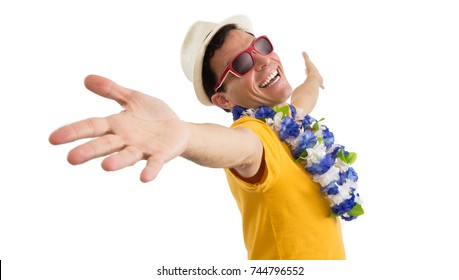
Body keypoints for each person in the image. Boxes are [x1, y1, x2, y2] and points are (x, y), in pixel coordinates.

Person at [50, 15, 362, 260]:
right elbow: (233, 147)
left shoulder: (289, 122)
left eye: (262, 47)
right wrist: (185, 135)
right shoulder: (254, 137)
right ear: (225, 101)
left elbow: (303, 100)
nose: (264, 61)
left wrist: (313, 79)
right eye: (241, 63)